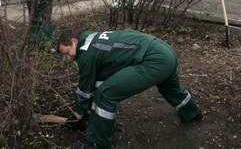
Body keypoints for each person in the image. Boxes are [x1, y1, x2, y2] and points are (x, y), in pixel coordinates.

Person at [57, 29, 204, 149]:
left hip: (154, 59)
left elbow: (86, 88)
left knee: (106, 93)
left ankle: (99, 143)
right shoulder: (92, 38)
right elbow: (101, 76)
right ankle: (192, 113)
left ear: (74, 42)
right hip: (165, 51)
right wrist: (87, 111)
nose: (68, 58)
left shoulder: (86, 51)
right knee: (170, 88)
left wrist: (79, 115)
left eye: (67, 52)